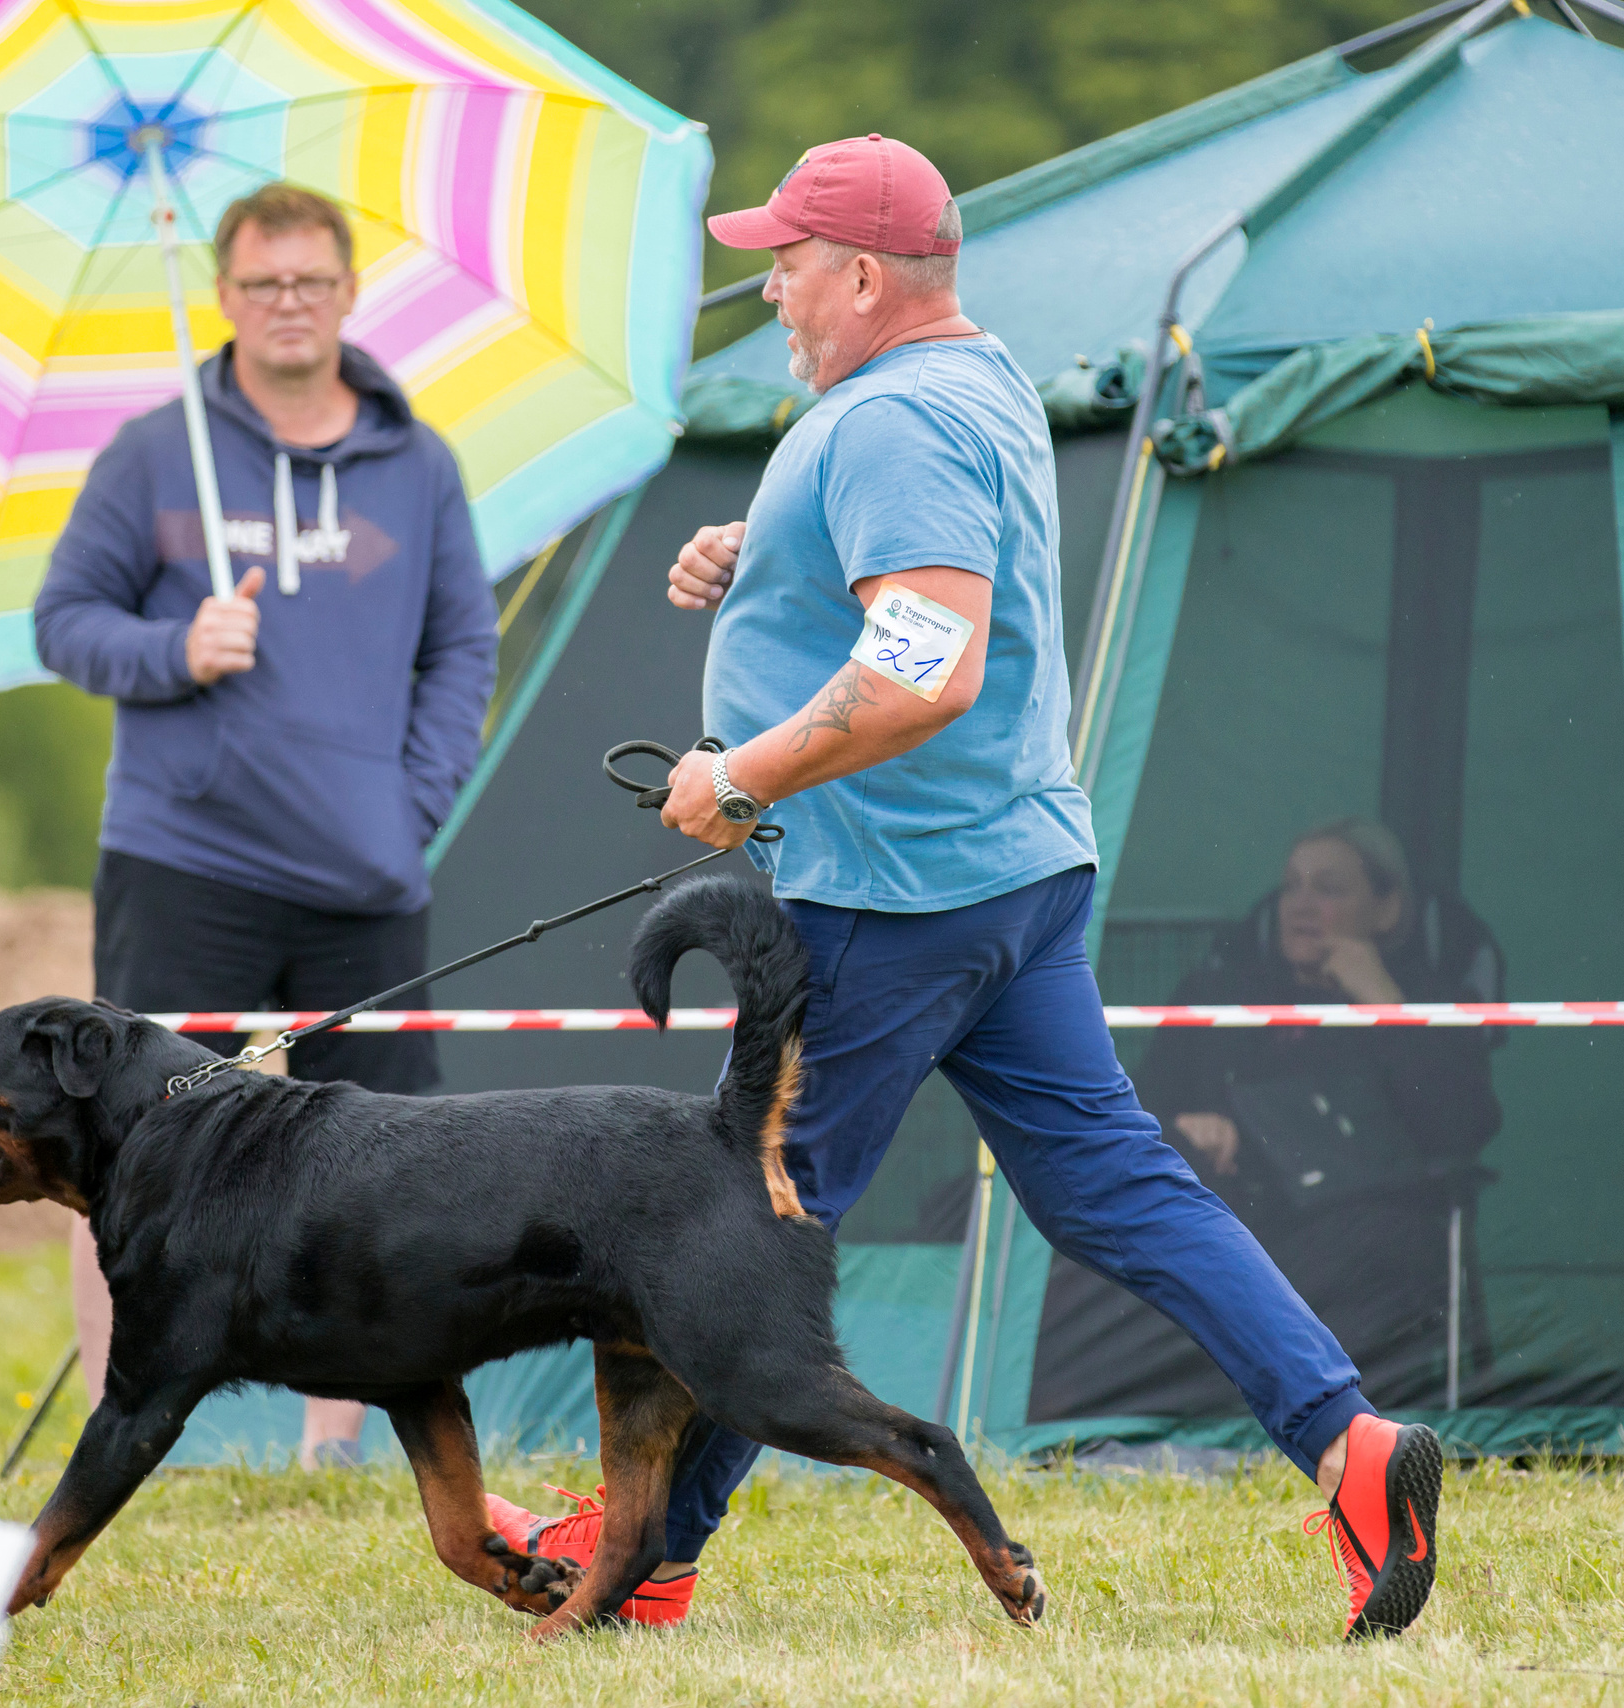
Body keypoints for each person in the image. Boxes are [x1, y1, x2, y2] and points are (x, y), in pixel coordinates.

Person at [482, 135, 1445, 1640]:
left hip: (889, 899)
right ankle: (1353, 1447)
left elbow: (929, 664)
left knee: (750, 1216)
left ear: (863, 275)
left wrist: (738, 781)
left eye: (789, 267)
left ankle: (648, 1553)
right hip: (1018, 877)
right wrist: (778, 557)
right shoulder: (971, 376)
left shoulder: (887, 424)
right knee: (1114, 1184)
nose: (774, 292)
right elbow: (925, 570)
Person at [33, 182, 497, 1470]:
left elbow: (463, 645)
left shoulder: (417, 465)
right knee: (120, 1152)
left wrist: (411, 807)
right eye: (260, 284)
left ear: (347, 294)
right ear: (226, 297)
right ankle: (119, 1432)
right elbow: (62, 620)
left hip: (367, 869)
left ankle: (332, 1450)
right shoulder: (151, 451)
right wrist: (174, 646)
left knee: (381, 1162)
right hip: (186, 863)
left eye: (309, 281)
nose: (286, 304)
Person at [1133, 820, 1503, 1405]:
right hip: (1237, 1215)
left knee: (1352, 1251)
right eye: (1291, 887)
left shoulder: (1420, 995)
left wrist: (1385, 1001)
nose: (1300, 905)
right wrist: (1187, 1126)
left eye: (1328, 888)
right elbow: (1134, 1106)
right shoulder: (1223, 990)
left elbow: (1464, 1123)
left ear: (1386, 910)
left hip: (1367, 1227)